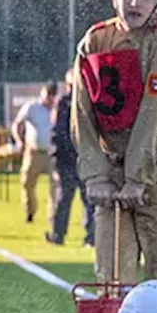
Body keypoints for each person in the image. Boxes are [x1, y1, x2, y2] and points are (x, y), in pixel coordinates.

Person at [72, 0, 157, 284]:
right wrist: (95, 175)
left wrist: (138, 176)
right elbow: (82, 112)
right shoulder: (95, 40)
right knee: (112, 284)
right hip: (112, 177)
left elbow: (155, 111)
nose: (135, 3)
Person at [47, 71, 95, 246]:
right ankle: (59, 234)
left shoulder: (83, 103)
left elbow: (58, 133)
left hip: (81, 158)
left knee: (85, 199)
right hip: (70, 159)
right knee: (67, 199)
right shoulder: (66, 103)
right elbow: (58, 133)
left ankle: (90, 236)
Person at [10, 82, 56, 223]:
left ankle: (53, 216)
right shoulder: (32, 107)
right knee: (27, 183)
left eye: (51, 95)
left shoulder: (58, 108)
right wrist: (20, 141)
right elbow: (17, 124)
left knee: (56, 186)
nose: (48, 98)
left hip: (53, 153)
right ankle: (30, 212)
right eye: (46, 94)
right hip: (34, 152)